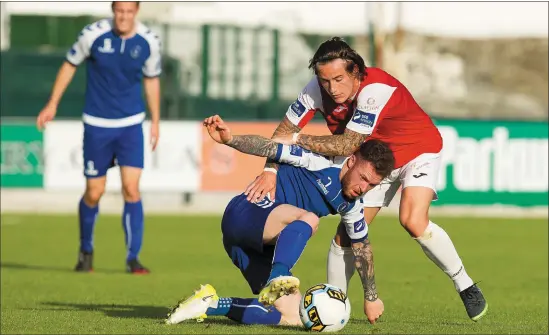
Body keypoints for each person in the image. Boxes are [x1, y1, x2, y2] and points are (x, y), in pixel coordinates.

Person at [244, 37, 488, 322]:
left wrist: (296, 140)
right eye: (325, 81)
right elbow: (283, 130)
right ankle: (335, 309)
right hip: (370, 163)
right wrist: (270, 170)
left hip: (416, 150)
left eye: (338, 79)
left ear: (356, 72)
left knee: (412, 219)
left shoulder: (376, 90)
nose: (332, 89)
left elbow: (345, 145)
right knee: (345, 235)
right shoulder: (315, 90)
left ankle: (465, 284)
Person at [165, 115, 395, 326]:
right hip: (246, 212)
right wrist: (230, 139)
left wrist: (371, 297)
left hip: (255, 245)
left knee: (291, 316)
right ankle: (279, 274)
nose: (363, 188)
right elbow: (270, 147)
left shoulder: (353, 205)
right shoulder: (321, 162)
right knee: (310, 218)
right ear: (352, 161)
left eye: (371, 185)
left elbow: (362, 248)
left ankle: (210, 304)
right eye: (363, 178)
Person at [36, 1, 161, 274]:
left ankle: (132, 258)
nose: (124, 17)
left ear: (136, 12)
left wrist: (155, 121)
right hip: (97, 124)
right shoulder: (92, 35)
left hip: (130, 124)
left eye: (129, 12)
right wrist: (52, 103)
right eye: (119, 11)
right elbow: (69, 65)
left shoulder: (149, 41)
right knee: (95, 192)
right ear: (113, 10)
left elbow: (151, 80)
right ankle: (86, 250)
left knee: (132, 188)